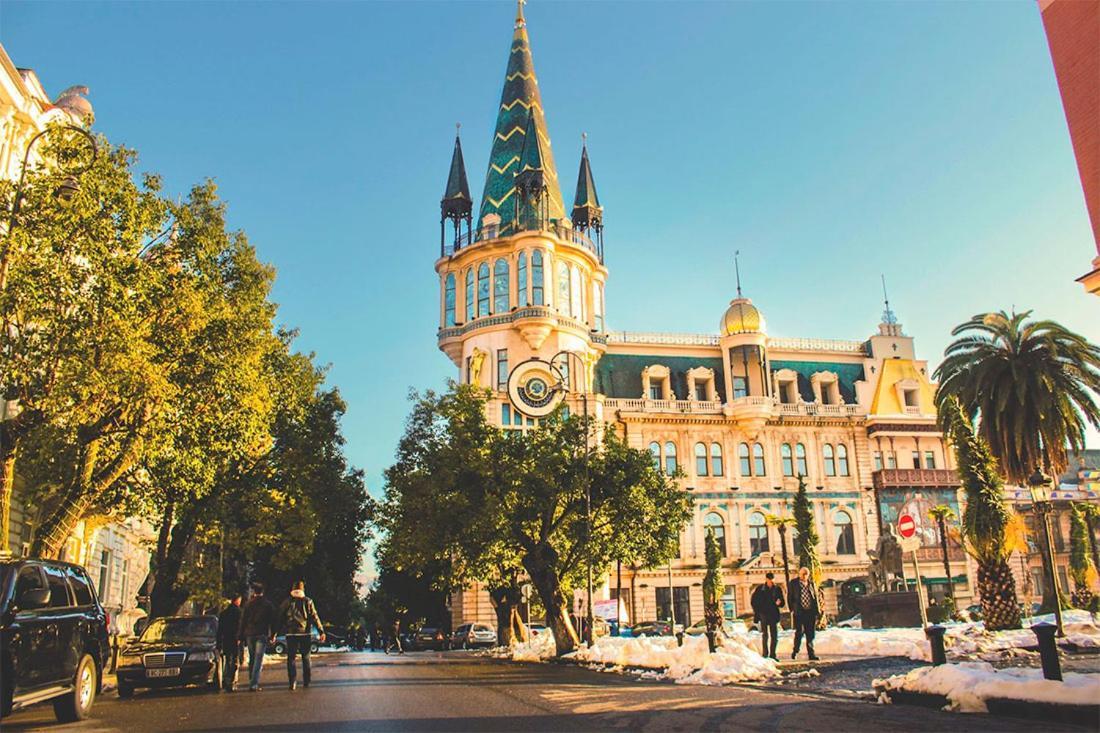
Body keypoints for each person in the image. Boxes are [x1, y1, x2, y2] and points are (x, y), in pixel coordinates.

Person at [278, 580, 326, 690]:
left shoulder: (287, 602)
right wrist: (321, 631)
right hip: (305, 633)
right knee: (306, 657)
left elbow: (280, 618)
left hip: (291, 633)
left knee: (291, 658)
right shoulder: (308, 601)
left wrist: (274, 633)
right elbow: (315, 616)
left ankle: (292, 682)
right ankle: (306, 681)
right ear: (303, 589)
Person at [239, 582, 277, 691]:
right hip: (262, 633)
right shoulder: (267, 605)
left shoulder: (248, 604)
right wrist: (273, 634)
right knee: (258, 659)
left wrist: (240, 635)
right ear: (262, 592)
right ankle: (254, 683)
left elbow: (243, 621)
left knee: (252, 658)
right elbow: (272, 621)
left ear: (254, 592)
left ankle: (252, 679)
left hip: (250, 634)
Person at [750, 572, 785, 660]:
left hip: (773, 614)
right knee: (765, 635)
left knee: (774, 635)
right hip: (764, 614)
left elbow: (782, 602)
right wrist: (758, 611)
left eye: (772, 580)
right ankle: (765, 654)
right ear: (766, 579)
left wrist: (779, 603)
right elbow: (753, 601)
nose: (771, 582)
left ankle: (773, 654)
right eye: (769, 580)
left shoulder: (777, 589)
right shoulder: (760, 589)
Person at [788, 567, 820, 661]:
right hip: (799, 612)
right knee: (799, 632)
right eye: (803, 574)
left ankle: (811, 654)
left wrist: (817, 611)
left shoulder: (811, 584)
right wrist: (792, 609)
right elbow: (790, 597)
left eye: (806, 574)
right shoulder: (794, 583)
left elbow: (815, 598)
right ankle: (795, 651)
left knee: (810, 633)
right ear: (799, 574)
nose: (804, 576)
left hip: (810, 612)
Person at [217, 594, 243, 692]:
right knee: (235, 661)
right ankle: (231, 681)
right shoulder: (239, 612)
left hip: (226, 639)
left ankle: (226, 679)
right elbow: (241, 626)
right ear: (237, 601)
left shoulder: (223, 613)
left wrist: (219, 641)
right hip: (236, 639)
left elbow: (220, 629)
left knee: (227, 660)